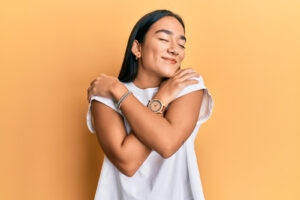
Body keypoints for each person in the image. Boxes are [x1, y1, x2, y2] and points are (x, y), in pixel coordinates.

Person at [86, 9, 214, 200]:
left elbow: (167, 143)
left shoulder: (187, 86)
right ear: (137, 48)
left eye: (181, 43)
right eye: (164, 39)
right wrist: (161, 99)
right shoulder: (105, 97)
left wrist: (118, 90)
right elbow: (128, 162)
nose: (174, 49)